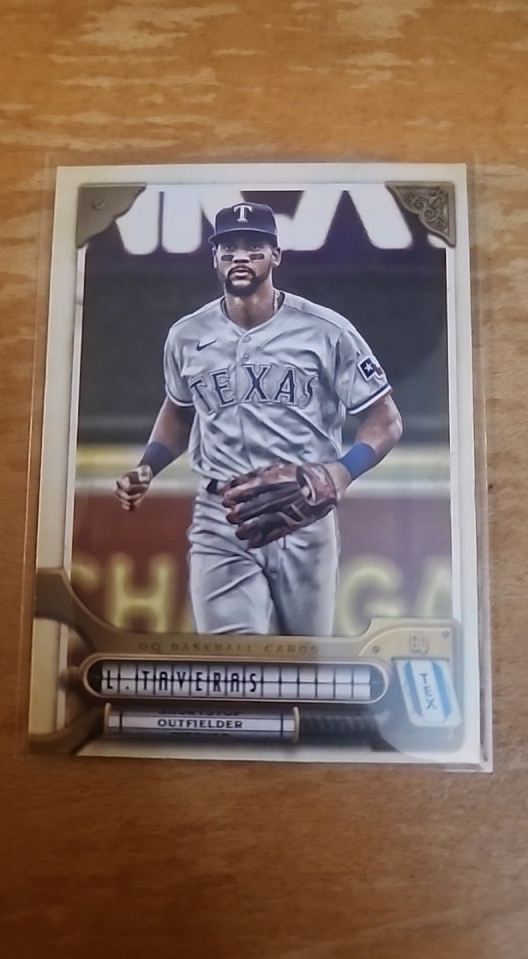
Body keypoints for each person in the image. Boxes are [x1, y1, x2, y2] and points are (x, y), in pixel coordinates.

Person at [116, 202, 402, 637]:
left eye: (254, 247)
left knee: (304, 660)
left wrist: (342, 472)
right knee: (230, 660)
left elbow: (385, 419)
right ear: (215, 258)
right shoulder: (186, 335)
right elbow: (179, 411)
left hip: (301, 509)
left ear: (275, 256)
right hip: (222, 512)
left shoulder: (326, 331)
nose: (240, 257)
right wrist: (147, 466)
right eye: (229, 248)